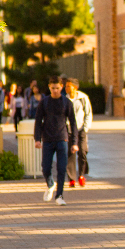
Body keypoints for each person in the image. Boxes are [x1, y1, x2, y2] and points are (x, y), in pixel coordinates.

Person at [34, 77, 79, 206]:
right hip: (47, 139)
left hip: (62, 138)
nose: (55, 91)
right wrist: (37, 139)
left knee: (61, 168)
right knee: (46, 167)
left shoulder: (66, 103)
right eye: (52, 88)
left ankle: (59, 195)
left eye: (57, 88)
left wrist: (74, 142)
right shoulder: (44, 102)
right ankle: (50, 184)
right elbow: (38, 121)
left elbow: (73, 124)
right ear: (49, 87)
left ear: (61, 87)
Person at [64, 78, 93, 188]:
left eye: (68, 86)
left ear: (75, 87)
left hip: (81, 130)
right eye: (66, 86)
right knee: (70, 155)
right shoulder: (64, 99)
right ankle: (71, 178)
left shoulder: (83, 98)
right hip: (69, 131)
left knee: (83, 151)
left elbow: (88, 113)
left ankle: (81, 175)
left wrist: (86, 128)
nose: (66, 88)